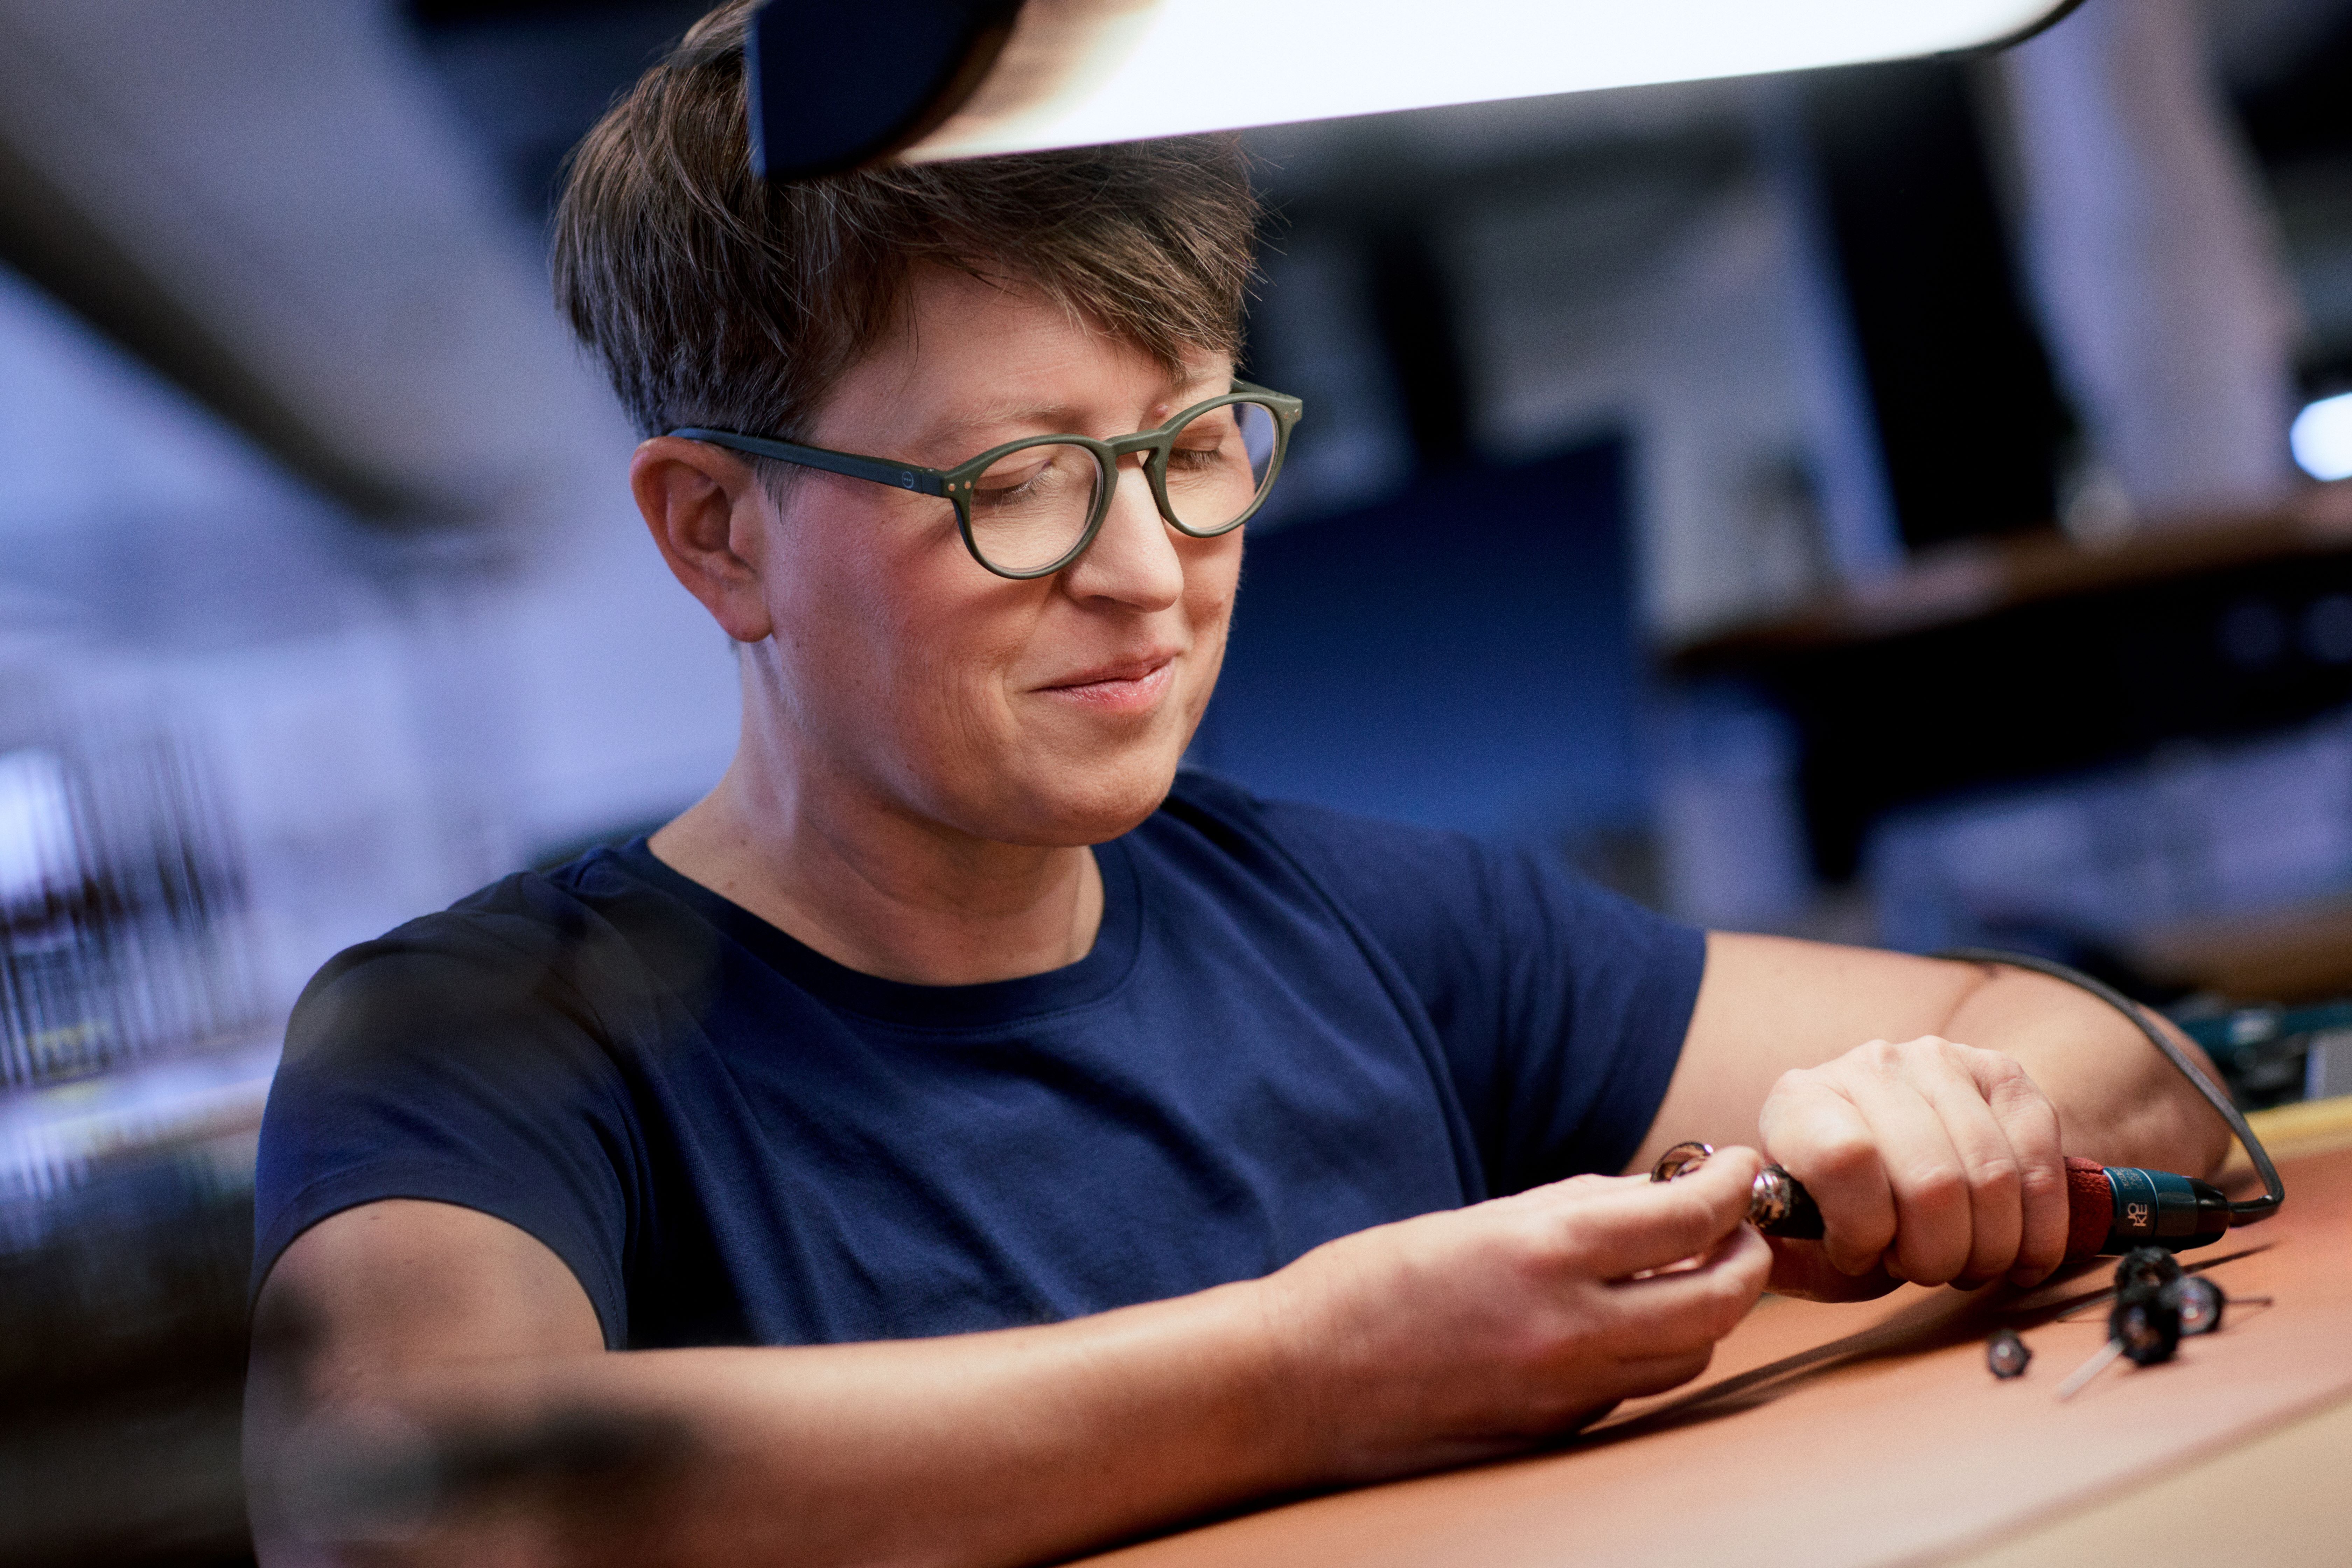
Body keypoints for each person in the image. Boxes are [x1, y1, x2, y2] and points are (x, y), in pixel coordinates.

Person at [242, 6, 2229, 1564]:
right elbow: (419, 1497)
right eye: (1013, 484)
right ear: (718, 536)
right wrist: (1309, 1374)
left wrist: (1921, 1119)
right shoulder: (479, 1044)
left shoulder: (1366, 926)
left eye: (1196, 447)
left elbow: (2142, 1074)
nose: (1148, 571)